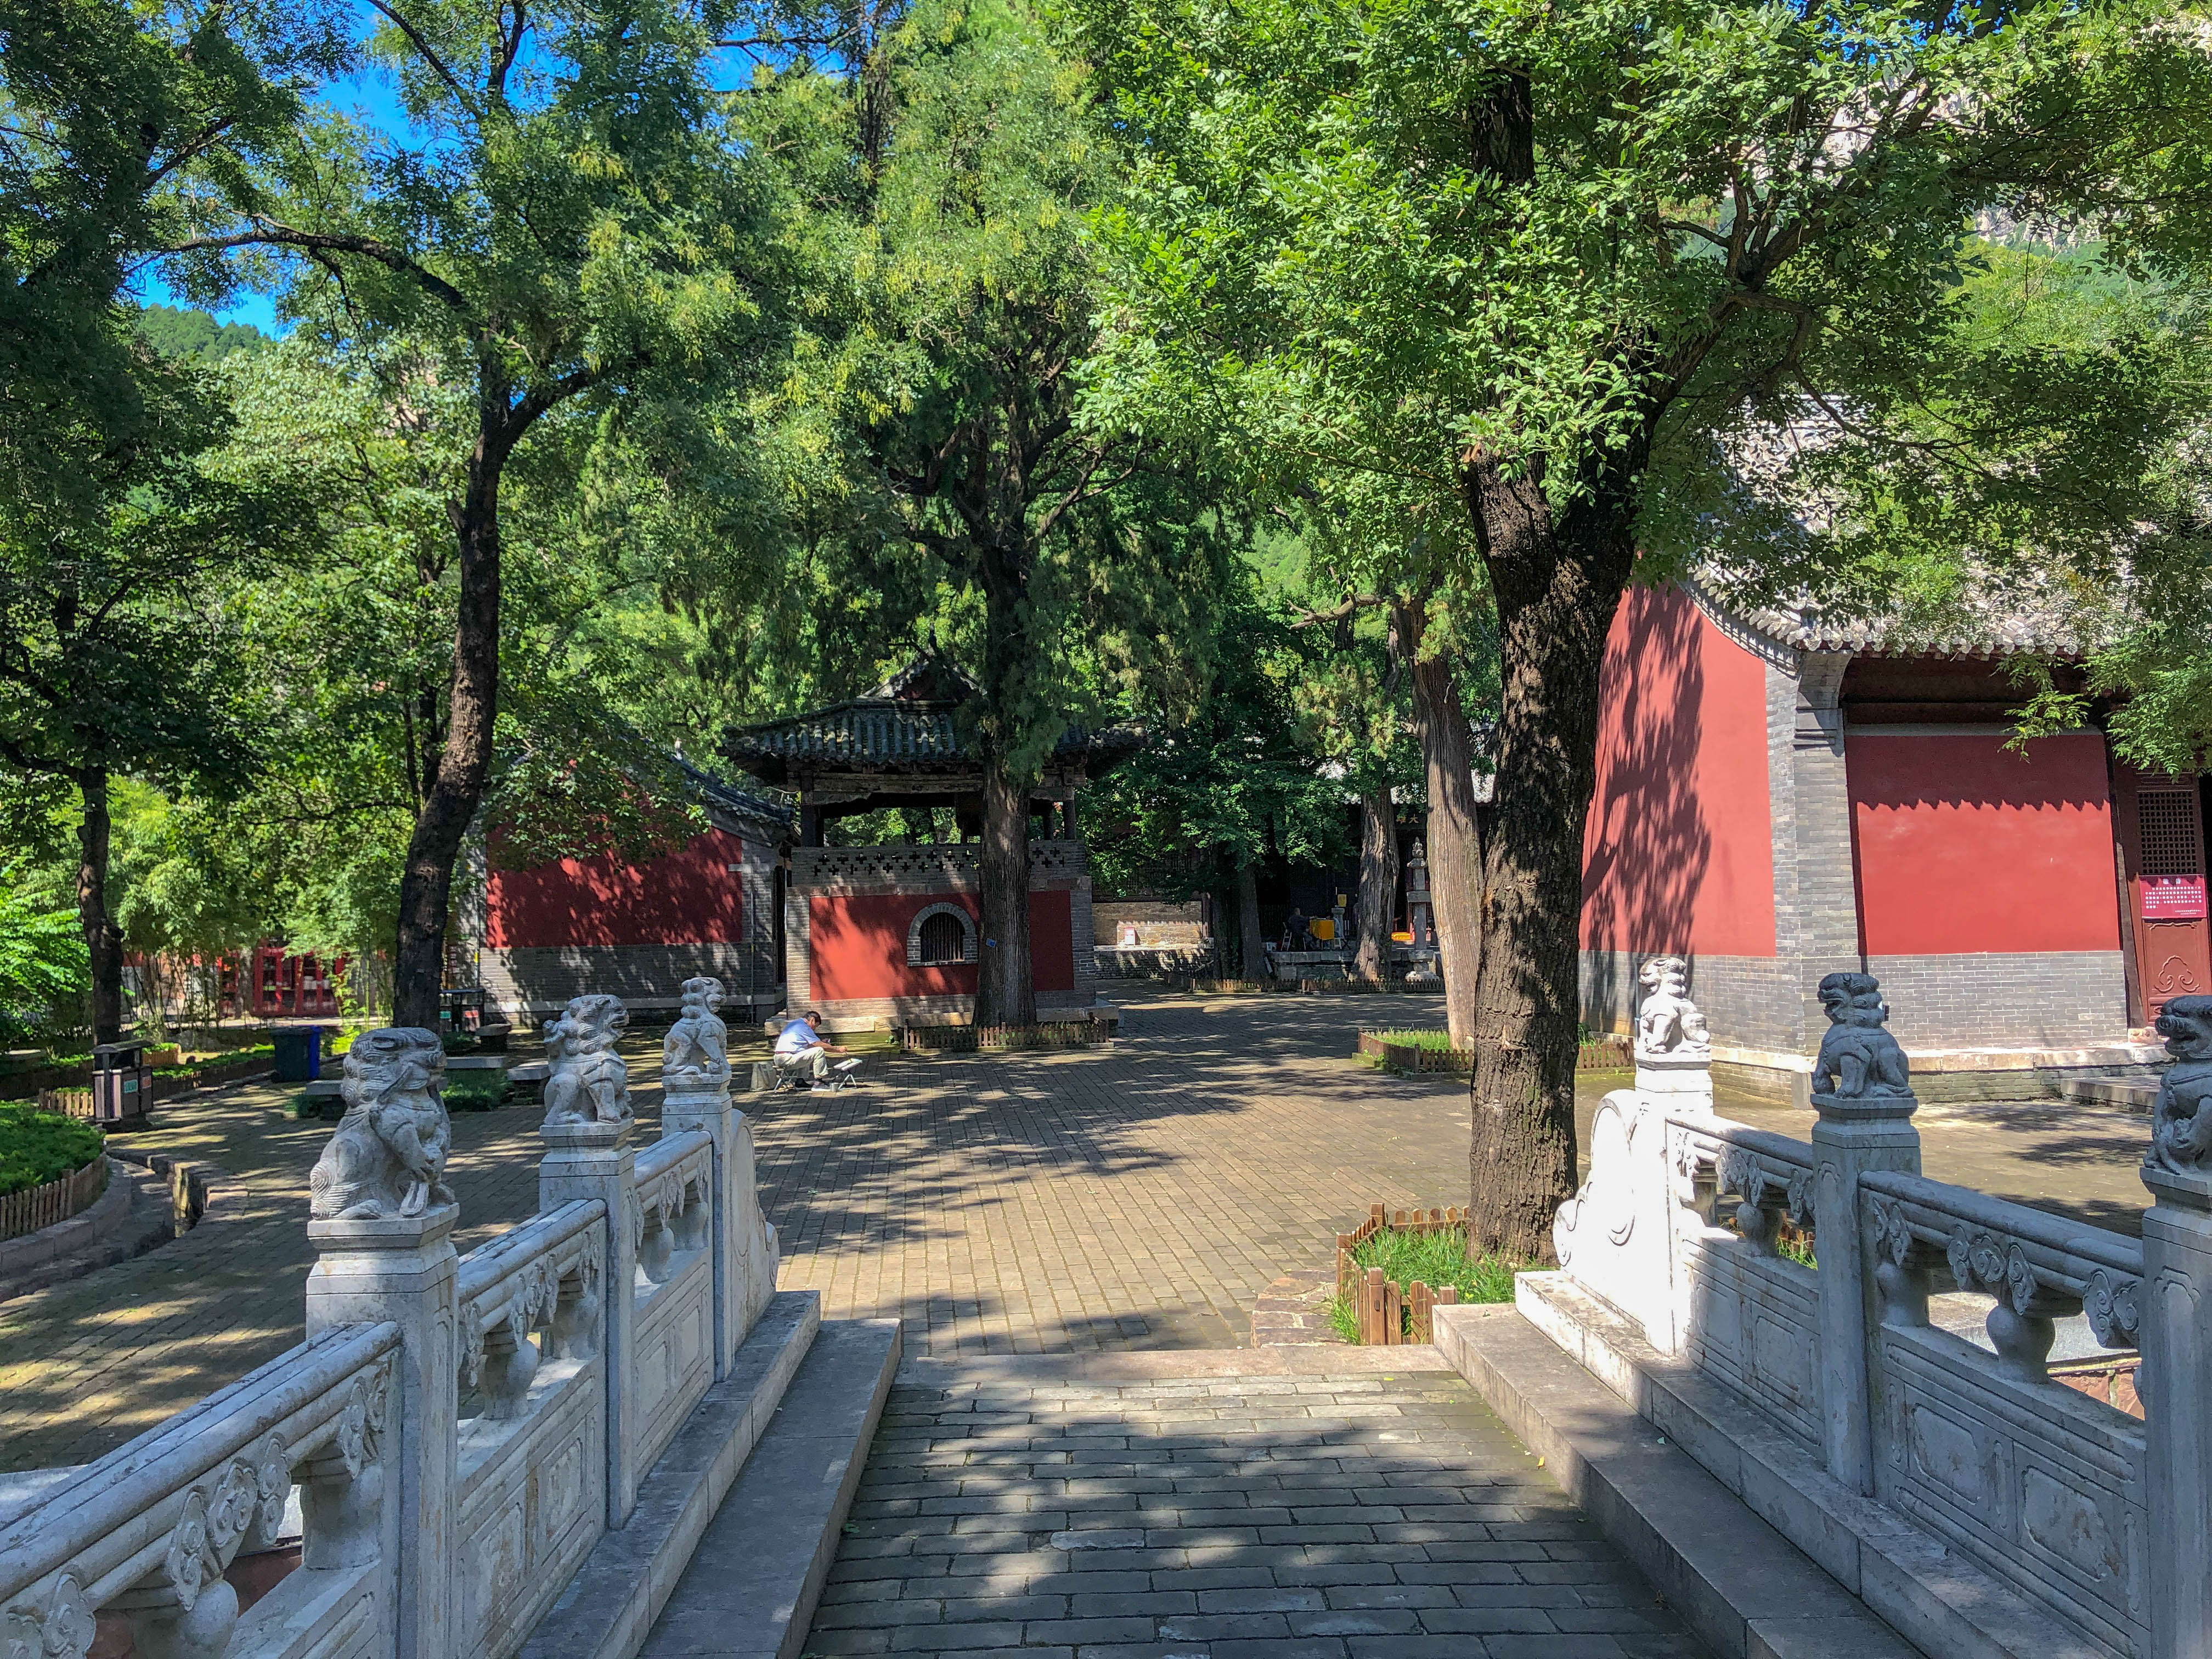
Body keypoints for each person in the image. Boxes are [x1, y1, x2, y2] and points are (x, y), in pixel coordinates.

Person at [772, 1011, 847, 1087]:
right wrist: (838, 1050)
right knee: (819, 1050)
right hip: (787, 1059)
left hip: (779, 1058)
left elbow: (809, 1046)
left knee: (807, 1052)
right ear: (812, 1020)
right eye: (815, 1026)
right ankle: (819, 1083)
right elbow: (818, 1045)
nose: (814, 1029)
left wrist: (822, 1043)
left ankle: (800, 1081)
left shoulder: (794, 1024)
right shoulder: (804, 1027)